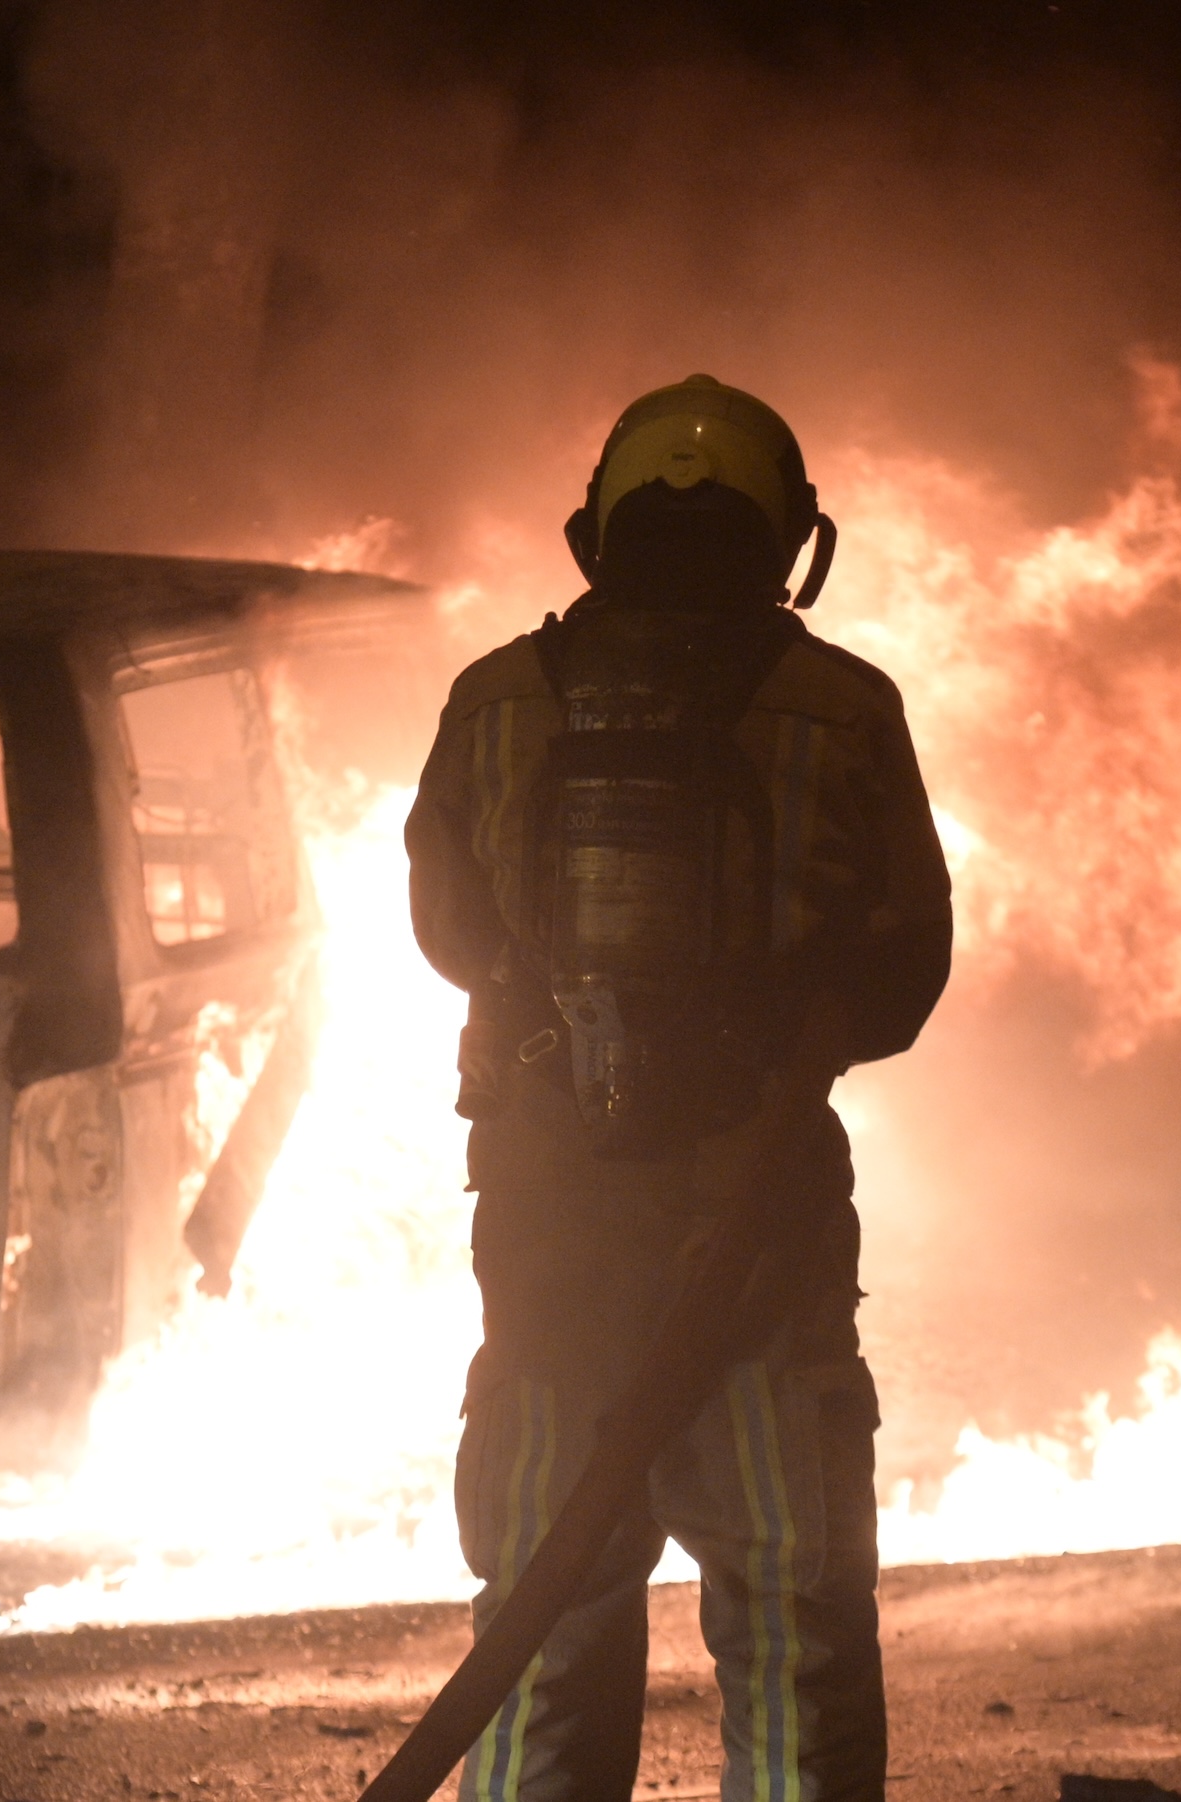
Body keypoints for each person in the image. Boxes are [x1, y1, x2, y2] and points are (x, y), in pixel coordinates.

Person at [406, 375, 953, 1802]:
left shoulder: (494, 703)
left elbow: (449, 935)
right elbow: (905, 975)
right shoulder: (842, 709)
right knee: (789, 1611)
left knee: (543, 1606)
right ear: (789, 543)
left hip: (548, 1242)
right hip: (754, 1238)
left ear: (599, 531)